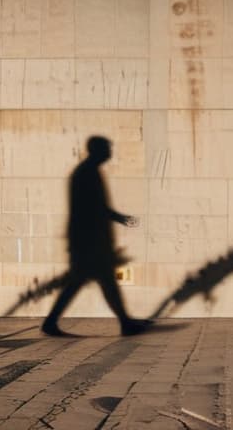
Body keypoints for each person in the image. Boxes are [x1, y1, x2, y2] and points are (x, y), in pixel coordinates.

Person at [41, 136, 149, 337]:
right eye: (107, 148)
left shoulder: (88, 172)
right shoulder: (86, 174)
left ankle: (124, 321)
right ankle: (125, 322)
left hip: (88, 241)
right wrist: (119, 218)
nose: (110, 152)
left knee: (89, 281)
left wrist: (118, 218)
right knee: (95, 281)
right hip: (88, 242)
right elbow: (92, 208)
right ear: (98, 150)